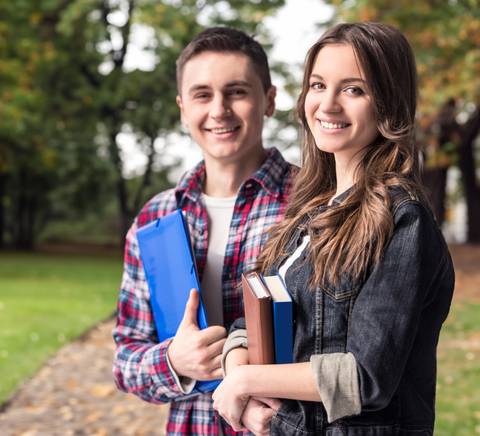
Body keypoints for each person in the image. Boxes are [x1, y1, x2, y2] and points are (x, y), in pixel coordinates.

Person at [212, 22, 455, 435]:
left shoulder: (401, 218)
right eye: (318, 85)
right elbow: (253, 323)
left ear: (389, 104)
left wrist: (247, 382)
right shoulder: (311, 210)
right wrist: (239, 374)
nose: (327, 105)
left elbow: (364, 377)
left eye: (353, 89)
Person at [112, 27, 296, 435]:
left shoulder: (313, 205)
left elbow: (340, 345)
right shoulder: (155, 217)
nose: (219, 110)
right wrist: (175, 361)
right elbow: (126, 359)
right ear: (182, 108)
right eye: (202, 95)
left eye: (236, 92)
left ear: (269, 100)